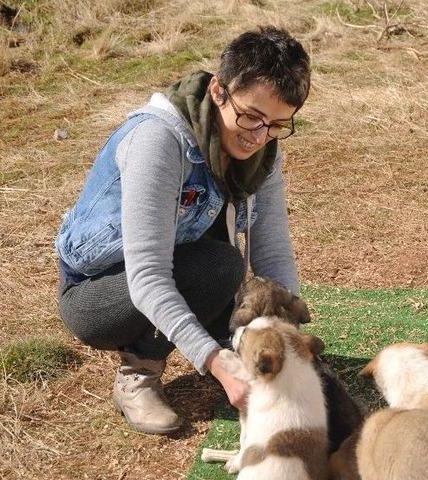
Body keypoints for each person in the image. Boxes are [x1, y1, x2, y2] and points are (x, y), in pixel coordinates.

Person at [55, 26, 311, 434]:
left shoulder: (263, 150)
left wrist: (286, 338)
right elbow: (147, 277)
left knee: (231, 287)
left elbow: (273, 251)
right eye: (250, 116)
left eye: (278, 125)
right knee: (219, 267)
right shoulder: (158, 141)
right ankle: (140, 374)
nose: (260, 136)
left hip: (187, 267)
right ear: (218, 91)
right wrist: (216, 361)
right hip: (101, 294)